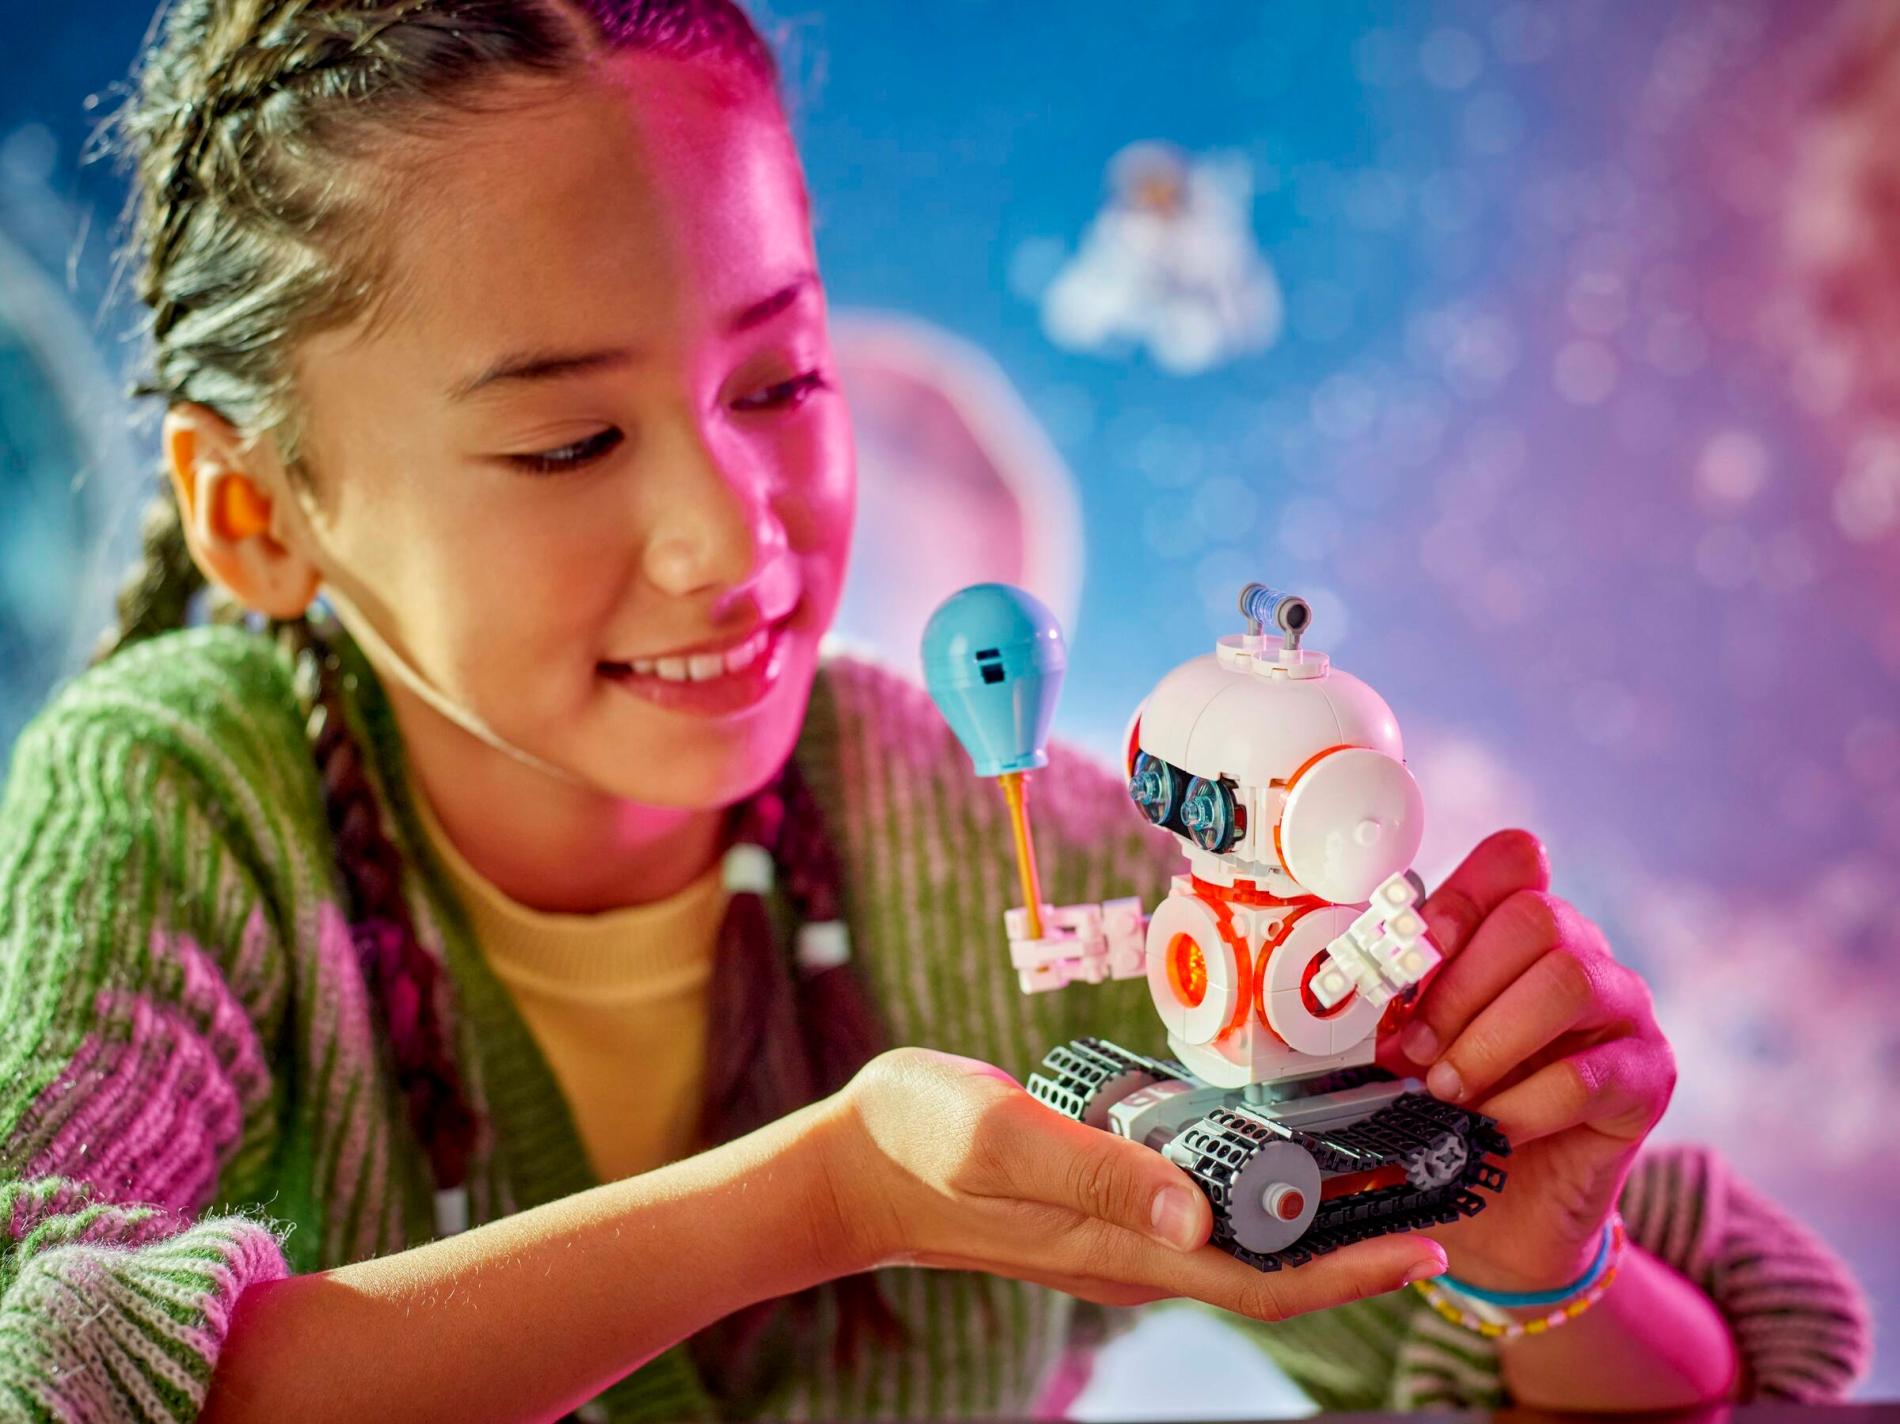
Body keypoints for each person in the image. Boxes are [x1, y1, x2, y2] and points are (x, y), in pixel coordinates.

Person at [0, 2, 1870, 1420]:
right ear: (258, 511)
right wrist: (819, 1201)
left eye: (781, 382)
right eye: (569, 442)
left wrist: (1542, 1261)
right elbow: (46, 1367)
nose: (732, 538)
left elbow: (1740, 1354)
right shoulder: (181, 797)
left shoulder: (980, 847)